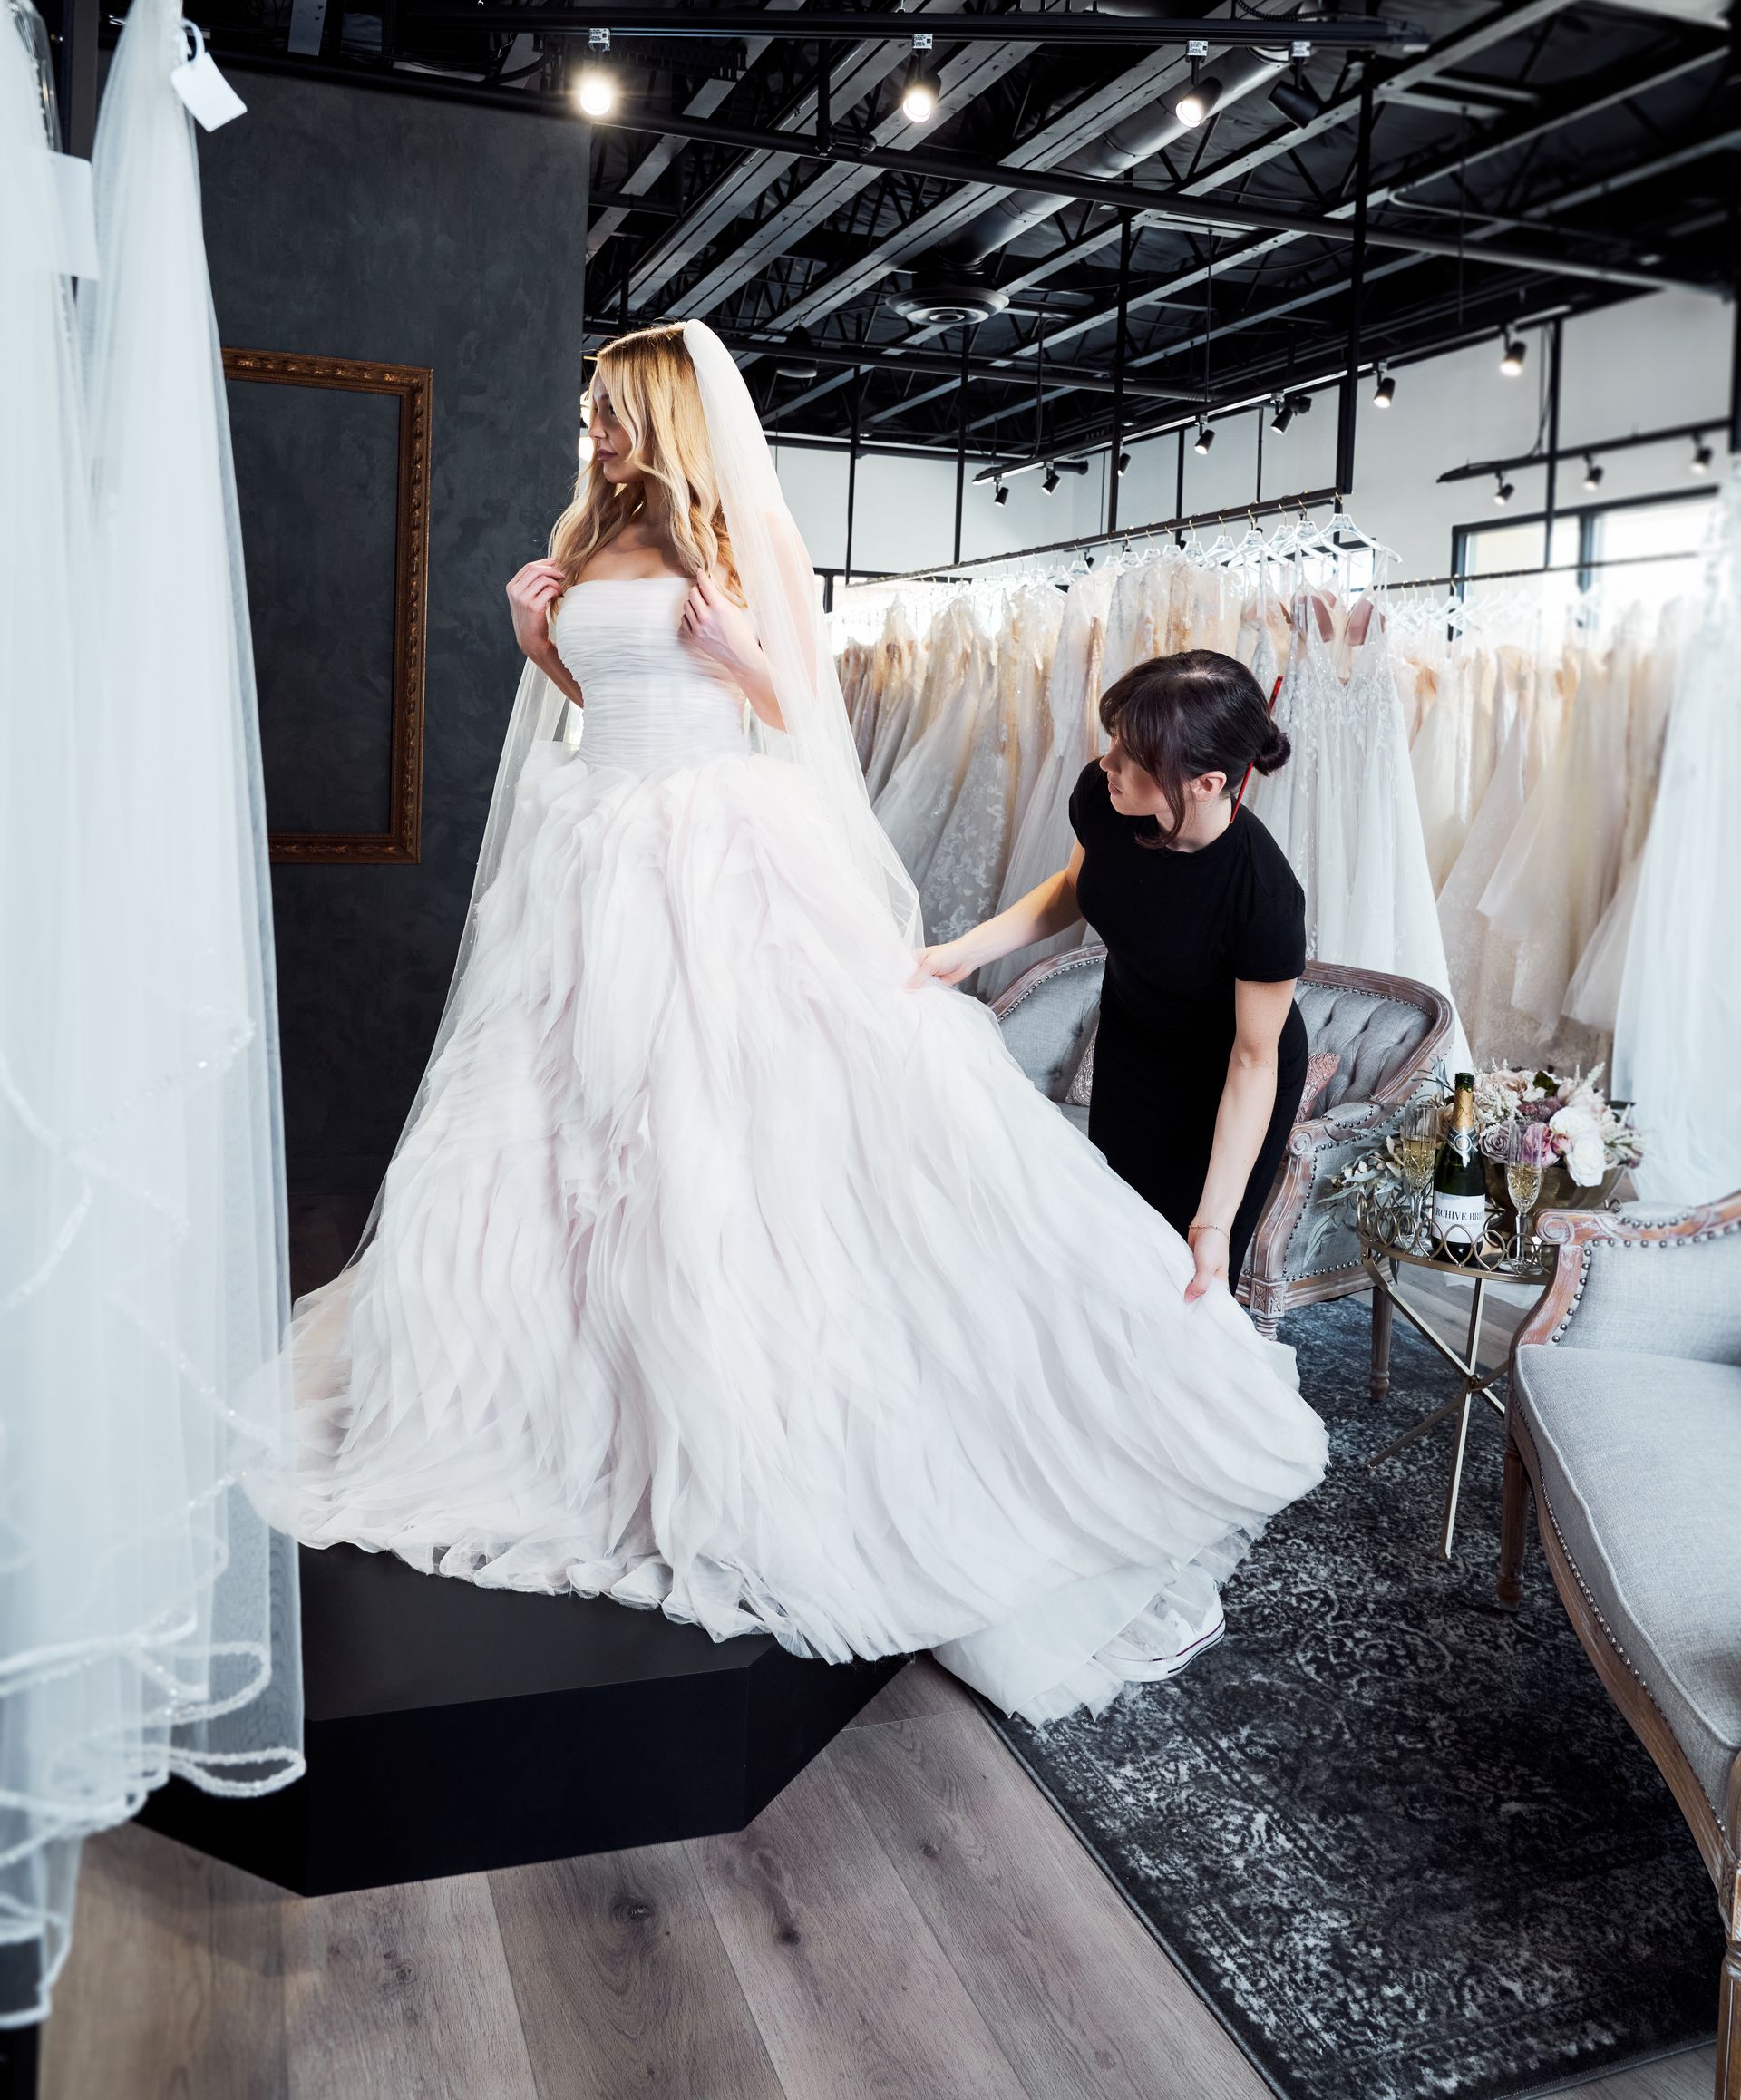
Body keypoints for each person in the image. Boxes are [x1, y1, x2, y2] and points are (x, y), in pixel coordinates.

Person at [258, 324, 1324, 1724]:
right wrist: (540, 642)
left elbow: (799, 713)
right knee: (560, 1135)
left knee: (712, 1135)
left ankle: (722, 1407)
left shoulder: (741, 521)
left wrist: (738, 649)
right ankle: (551, 1399)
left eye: (614, 408)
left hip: (710, 849)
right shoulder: (593, 524)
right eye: (591, 408)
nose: (597, 428)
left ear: (667, 409)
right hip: (590, 853)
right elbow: (608, 696)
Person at [919, 655, 1308, 1303]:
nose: (1109, 763)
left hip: (1228, 1078)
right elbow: (1076, 887)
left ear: (1208, 782)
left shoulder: (1261, 895)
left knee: (1186, 1269)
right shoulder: (1108, 799)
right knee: (1114, 1249)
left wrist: (1214, 1222)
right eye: (1117, 740)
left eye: (1135, 755)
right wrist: (966, 950)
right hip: (1133, 1042)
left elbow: (1253, 1059)